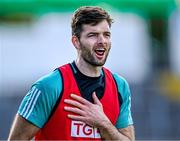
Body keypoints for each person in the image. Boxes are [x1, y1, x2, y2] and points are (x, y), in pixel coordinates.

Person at [8, 6, 135, 141]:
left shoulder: (119, 86)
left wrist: (104, 124)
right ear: (76, 42)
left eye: (106, 35)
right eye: (93, 35)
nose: (102, 41)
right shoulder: (49, 86)